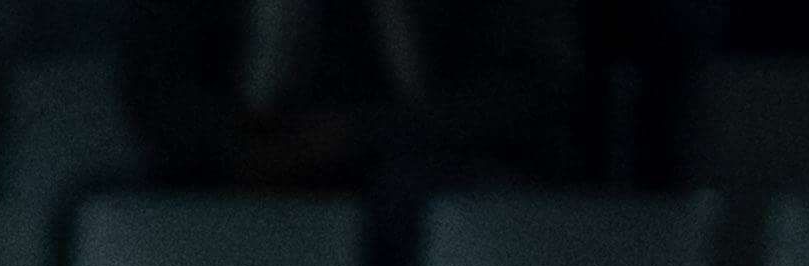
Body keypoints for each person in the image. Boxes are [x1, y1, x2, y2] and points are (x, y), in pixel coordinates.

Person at [121, 0, 579, 192]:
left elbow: (531, 86)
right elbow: (155, 81)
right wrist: (236, 146)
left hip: (430, 168)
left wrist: (359, 135)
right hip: (237, 163)